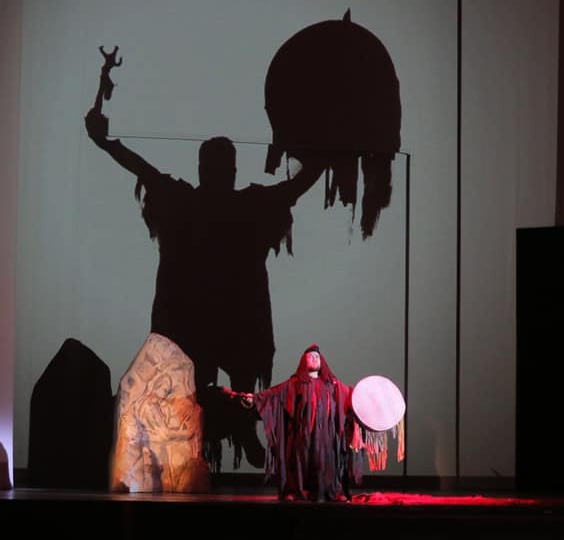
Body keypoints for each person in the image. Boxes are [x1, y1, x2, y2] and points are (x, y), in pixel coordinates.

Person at [84, 51, 327, 471]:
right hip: (204, 316)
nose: (219, 172)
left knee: (231, 376)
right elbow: (297, 185)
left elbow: (141, 168)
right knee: (204, 380)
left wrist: (106, 142)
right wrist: (325, 152)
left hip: (222, 316)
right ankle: (216, 436)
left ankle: (233, 428)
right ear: (213, 169)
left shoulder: (202, 201)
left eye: (221, 166)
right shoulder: (227, 203)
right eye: (216, 166)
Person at [229, 344, 364, 502]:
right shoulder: (294, 383)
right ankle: (296, 490)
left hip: (326, 436)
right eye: (310, 356)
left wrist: (367, 398)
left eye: (317, 356)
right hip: (302, 435)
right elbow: (273, 395)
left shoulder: (332, 384)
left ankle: (331, 491)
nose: (315, 358)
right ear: (303, 361)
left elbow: (351, 396)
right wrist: (254, 398)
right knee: (299, 462)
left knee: (327, 463)